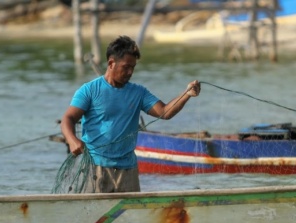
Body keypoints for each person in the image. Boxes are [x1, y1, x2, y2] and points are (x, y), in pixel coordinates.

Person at [60, 35, 201, 193]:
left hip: (128, 169)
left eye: (133, 68)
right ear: (111, 63)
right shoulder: (89, 90)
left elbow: (164, 112)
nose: (130, 72)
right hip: (95, 167)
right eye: (126, 67)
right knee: (93, 216)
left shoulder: (138, 92)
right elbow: (68, 118)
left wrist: (187, 94)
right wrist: (72, 140)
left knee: (129, 216)